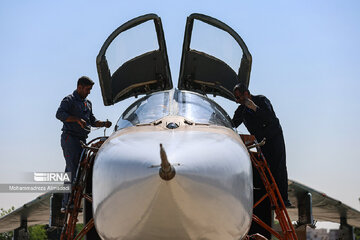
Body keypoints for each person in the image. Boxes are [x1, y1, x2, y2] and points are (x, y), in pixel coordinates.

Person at [232, 83, 289, 238]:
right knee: (267, 170)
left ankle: (283, 200)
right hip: (261, 143)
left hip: (274, 138)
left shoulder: (261, 101)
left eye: (239, 97)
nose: (237, 101)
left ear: (246, 93)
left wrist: (254, 108)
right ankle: (270, 202)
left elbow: (270, 118)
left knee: (278, 167)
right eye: (236, 98)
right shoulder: (241, 110)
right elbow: (232, 124)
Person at [56, 76, 112, 212]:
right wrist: (76, 119)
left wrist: (103, 123)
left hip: (82, 141)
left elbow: (92, 121)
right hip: (70, 139)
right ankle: (66, 203)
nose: (89, 92)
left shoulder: (88, 103)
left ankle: (72, 201)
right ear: (79, 87)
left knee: (79, 170)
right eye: (87, 89)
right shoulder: (69, 100)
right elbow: (59, 114)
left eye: (90, 90)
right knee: (72, 170)